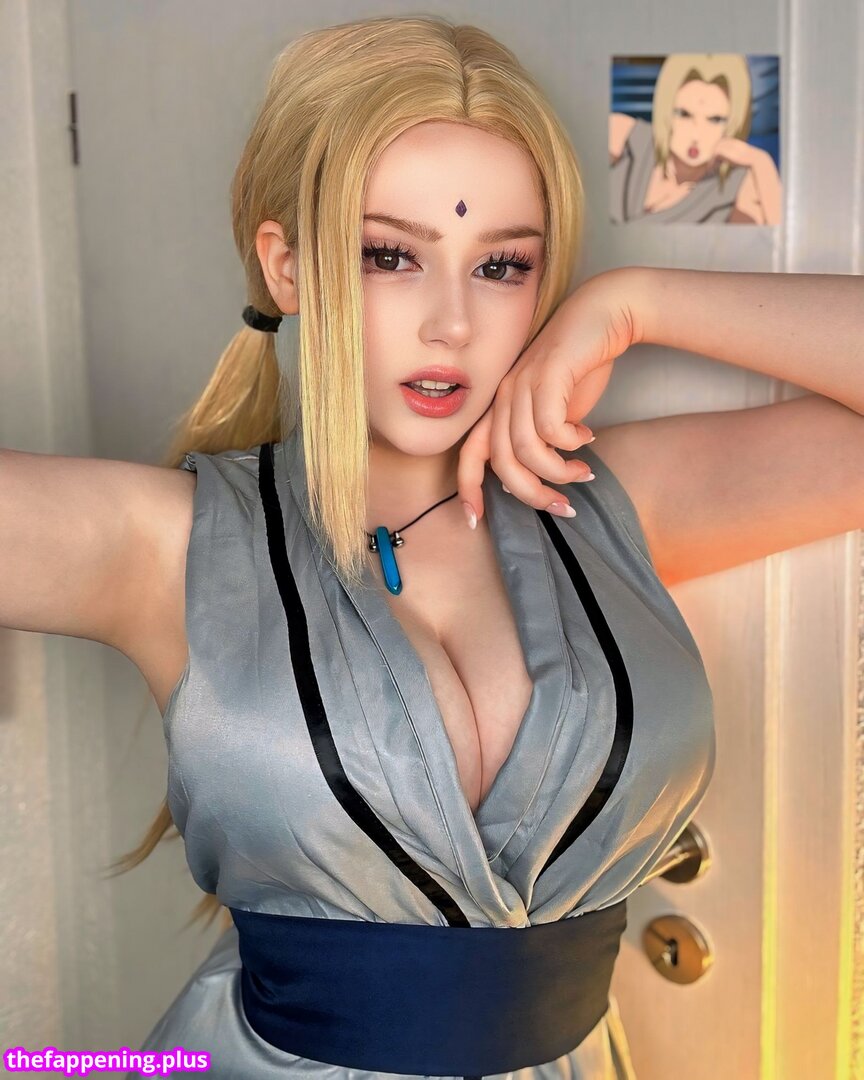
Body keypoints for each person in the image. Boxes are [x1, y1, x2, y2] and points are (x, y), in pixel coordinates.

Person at [2, 13, 861, 1080]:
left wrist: (635, 304)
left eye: (502, 266)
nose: (452, 322)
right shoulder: (166, 544)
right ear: (288, 267)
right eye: (390, 255)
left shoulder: (610, 503)